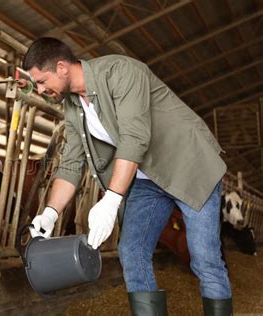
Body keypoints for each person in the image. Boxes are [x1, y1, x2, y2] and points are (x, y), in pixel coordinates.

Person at [23, 37, 232, 315]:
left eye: (41, 81)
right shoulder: (73, 107)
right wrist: (49, 213)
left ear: (61, 67)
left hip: (189, 165)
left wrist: (111, 200)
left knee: (205, 258)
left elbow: (135, 138)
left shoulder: (121, 72)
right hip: (148, 179)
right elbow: (72, 163)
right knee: (132, 252)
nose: (39, 89)